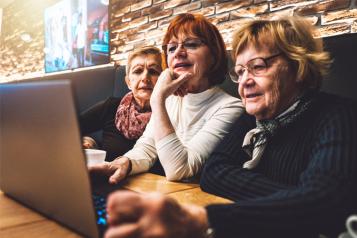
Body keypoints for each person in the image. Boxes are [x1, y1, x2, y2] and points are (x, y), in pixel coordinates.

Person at [102, 17, 357, 238]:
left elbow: (323, 202)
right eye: (240, 71)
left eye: (257, 67)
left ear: (299, 67)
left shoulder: (338, 115)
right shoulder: (253, 120)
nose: (245, 81)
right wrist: (296, 198)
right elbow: (215, 173)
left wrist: (205, 220)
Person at [90, 13, 244, 182]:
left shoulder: (232, 108)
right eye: (171, 48)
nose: (178, 52)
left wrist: (157, 99)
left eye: (191, 44)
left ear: (214, 56)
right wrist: (123, 163)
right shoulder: (170, 101)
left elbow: (180, 168)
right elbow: (147, 147)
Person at [80, 46, 163, 161]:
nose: (145, 77)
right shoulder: (111, 107)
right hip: (112, 178)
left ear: (164, 79)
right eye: (138, 71)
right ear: (128, 82)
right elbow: (69, 129)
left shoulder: (173, 113)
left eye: (153, 71)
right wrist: (90, 141)